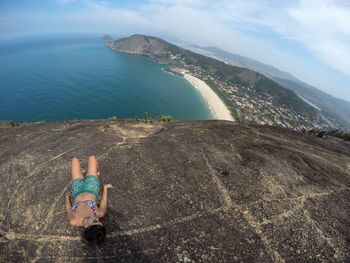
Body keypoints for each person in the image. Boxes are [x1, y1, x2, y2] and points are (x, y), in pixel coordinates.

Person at [65, 155, 112, 243]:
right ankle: (96, 171)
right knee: (92, 158)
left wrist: (67, 197)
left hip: (77, 189)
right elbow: (104, 201)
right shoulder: (99, 213)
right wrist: (105, 188)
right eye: (99, 221)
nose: (96, 218)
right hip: (92, 187)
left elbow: (68, 208)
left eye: (94, 221)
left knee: (74, 159)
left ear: (87, 227)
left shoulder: (74, 220)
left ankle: (84, 173)